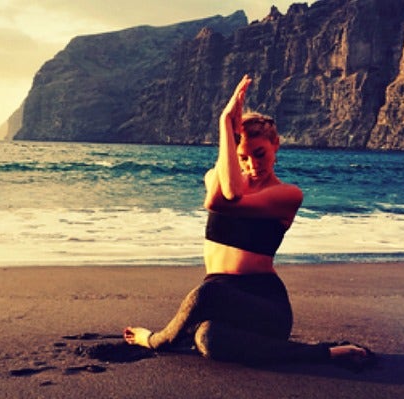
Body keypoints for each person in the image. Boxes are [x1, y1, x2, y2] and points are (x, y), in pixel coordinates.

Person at [123, 74, 374, 367]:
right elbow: (225, 186)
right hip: (222, 303)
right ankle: (200, 340)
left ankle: (157, 340)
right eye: (242, 157)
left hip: (265, 307)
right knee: (208, 338)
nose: (252, 164)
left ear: (276, 145)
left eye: (259, 154)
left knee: (208, 293)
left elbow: (221, 199)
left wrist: (224, 123)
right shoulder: (213, 176)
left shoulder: (287, 195)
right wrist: (227, 132)